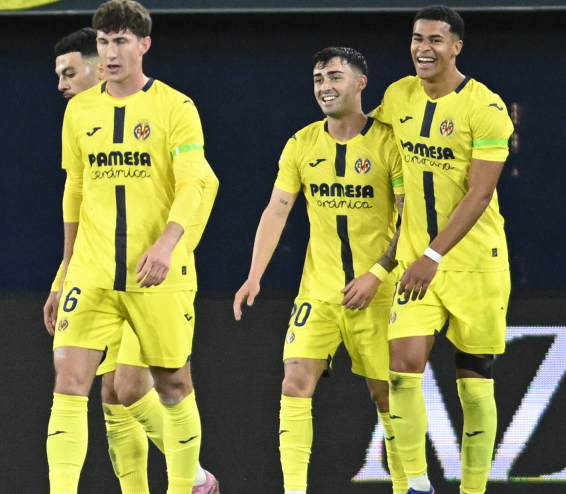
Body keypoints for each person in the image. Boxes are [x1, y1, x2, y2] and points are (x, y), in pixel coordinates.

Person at [45, 2, 218, 493]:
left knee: (170, 384)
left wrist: (167, 244)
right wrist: (65, 272)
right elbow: (76, 189)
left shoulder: (176, 107)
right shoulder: (80, 111)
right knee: (70, 380)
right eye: (103, 42)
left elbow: (194, 183)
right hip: (93, 272)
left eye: (120, 41)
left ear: (144, 44)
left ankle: (188, 484)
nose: (110, 52)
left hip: (154, 273)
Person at [233, 47, 409, 494]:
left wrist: (377, 273)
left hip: (378, 293)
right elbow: (276, 211)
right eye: (318, 79)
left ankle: (406, 486)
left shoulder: (389, 143)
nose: (324, 87)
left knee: (386, 397)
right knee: (294, 382)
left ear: (361, 83)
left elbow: (410, 221)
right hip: (318, 293)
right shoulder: (301, 143)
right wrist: (254, 275)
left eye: (334, 77)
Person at [373, 5, 514, 494]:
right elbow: (368, 137)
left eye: (435, 39)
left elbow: (480, 193)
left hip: (474, 266)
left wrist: (432, 256)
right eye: (417, 38)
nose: (423, 48)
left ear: (456, 47)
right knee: (401, 368)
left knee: (475, 383)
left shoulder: (486, 108)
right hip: (416, 264)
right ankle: (416, 485)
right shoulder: (398, 95)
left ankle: (473, 490)